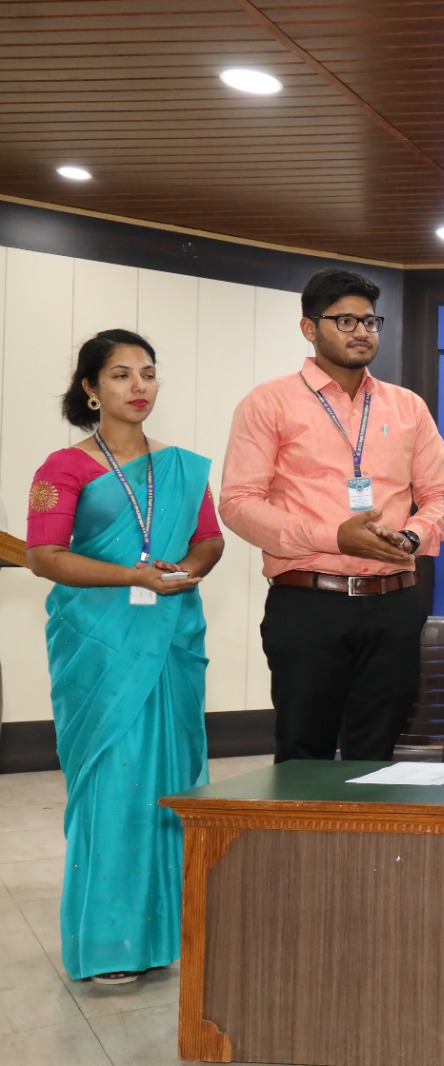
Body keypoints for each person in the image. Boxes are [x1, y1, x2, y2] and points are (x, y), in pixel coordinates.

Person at [25, 329, 224, 985]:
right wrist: (133, 577)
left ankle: (164, 935)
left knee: (170, 778)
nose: (139, 386)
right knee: (110, 783)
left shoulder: (182, 466)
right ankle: (108, 943)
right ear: (90, 389)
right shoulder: (64, 467)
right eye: (120, 375)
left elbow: (210, 541)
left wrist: (183, 570)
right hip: (98, 644)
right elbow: (44, 557)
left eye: (148, 373)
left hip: (168, 637)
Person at [219, 268, 444, 762]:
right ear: (309, 327)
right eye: (345, 321)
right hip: (309, 603)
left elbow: (439, 494)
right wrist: (333, 538)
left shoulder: (407, 406)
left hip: (394, 603)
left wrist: (412, 536)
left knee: (378, 757)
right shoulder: (269, 402)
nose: (361, 331)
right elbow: (238, 502)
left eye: (369, 321)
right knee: (304, 754)